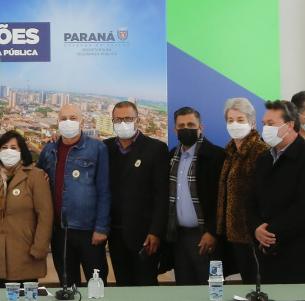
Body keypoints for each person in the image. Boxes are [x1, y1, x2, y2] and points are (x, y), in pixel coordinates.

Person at [37, 104, 110, 287]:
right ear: (57, 122)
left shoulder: (97, 148)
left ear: (82, 122)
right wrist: (40, 176)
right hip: (60, 231)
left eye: (73, 118)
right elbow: (36, 180)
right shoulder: (49, 149)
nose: (68, 122)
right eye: (63, 119)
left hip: (89, 230)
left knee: (97, 285)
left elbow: (104, 189)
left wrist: (101, 227)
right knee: (67, 285)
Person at [103, 101, 169, 286]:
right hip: (115, 235)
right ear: (113, 121)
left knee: (146, 284)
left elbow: (162, 195)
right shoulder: (106, 148)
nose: (123, 123)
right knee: (123, 285)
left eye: (128, 118)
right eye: (118, 119)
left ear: (137, 120)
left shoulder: (155, 149)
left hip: (145, 236)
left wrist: (156, 231)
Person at [165, 107, 225, 285]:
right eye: (181, 125)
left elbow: (222, 199)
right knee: (185, 287)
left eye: (191, 124)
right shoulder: (171, 157)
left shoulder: (216, 156)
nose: (186, 128)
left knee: (211, 288)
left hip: (205, 236)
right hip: (178, 236)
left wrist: (212, 231)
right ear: (175, 130)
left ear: (201, 127)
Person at [247, 100, 305, 284]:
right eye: (264, 124)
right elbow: (250, 199)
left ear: (290, 125)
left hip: (296, 251)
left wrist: (270, 234)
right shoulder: (264, 158)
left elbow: (301, 207)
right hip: (265, 250)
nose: (266, 129)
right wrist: (256, 228)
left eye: (271, 124)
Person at [0, 131, 53, 284]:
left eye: (13, 147)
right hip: (1, 253)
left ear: (22, 151)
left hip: (27, 251)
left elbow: (45, 215)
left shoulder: (35, 176)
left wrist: (40, 247)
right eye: (4, 147)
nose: (8, 151)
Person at [217, 98, 270, 283]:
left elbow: (266, 195)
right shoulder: (229, 152)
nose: (234, 124)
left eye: (240, 119)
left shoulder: (261, 151)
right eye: (230, 120)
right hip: (232, 234)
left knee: (258, 283)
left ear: (252, 123)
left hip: (253, 233)